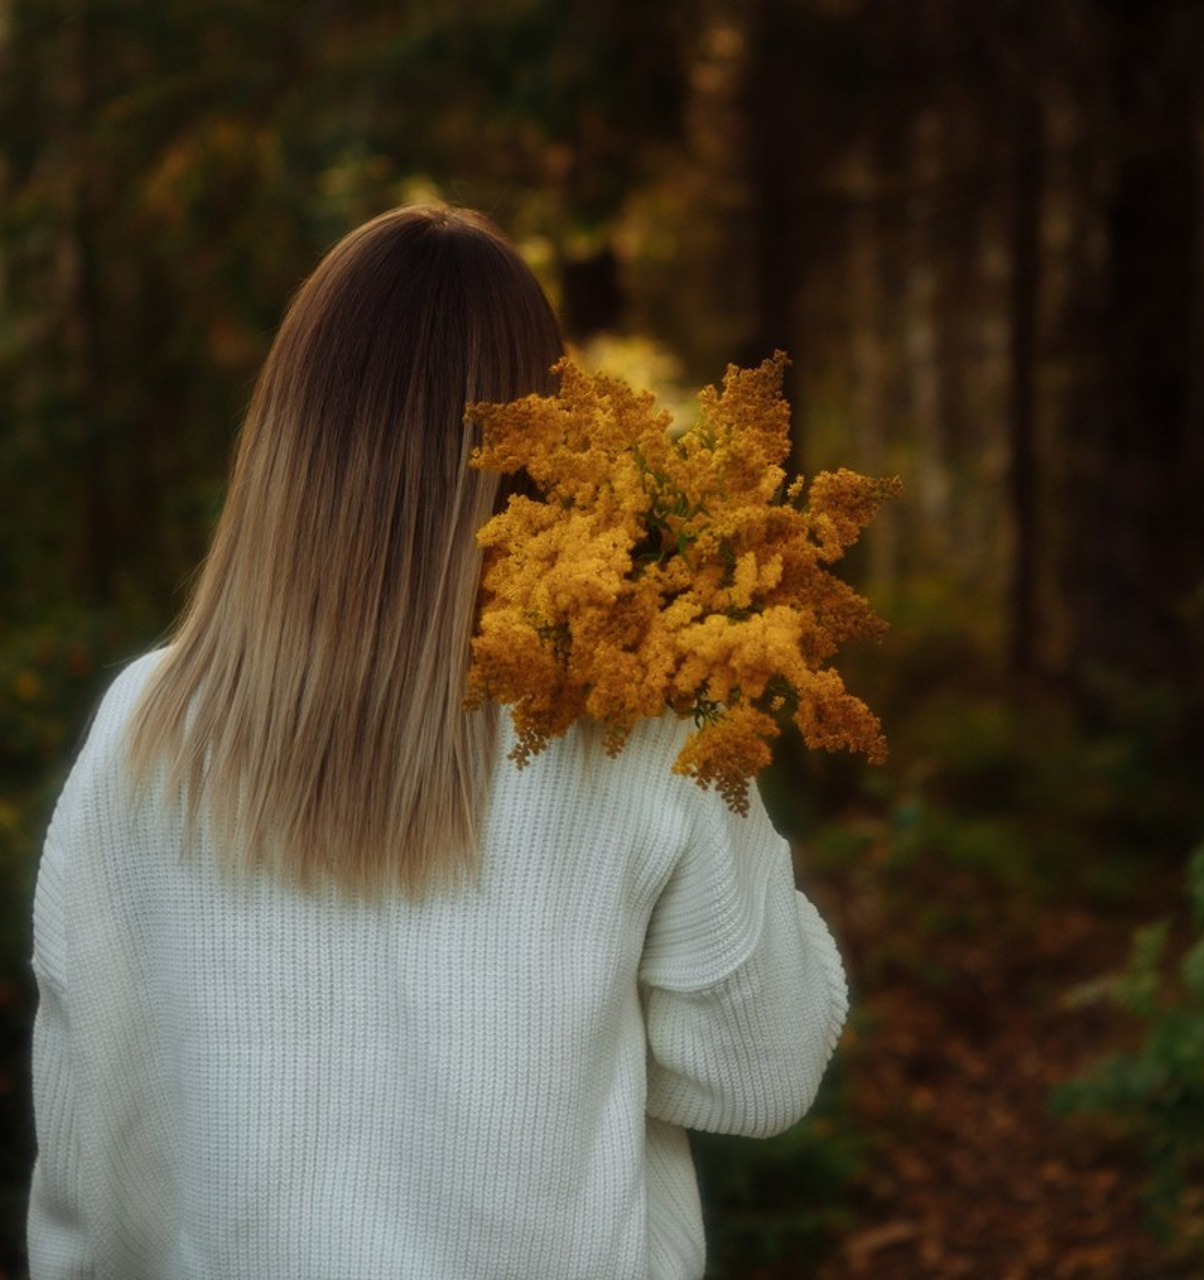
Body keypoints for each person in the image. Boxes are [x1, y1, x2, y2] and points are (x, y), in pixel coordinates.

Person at [28, 205, 848, 1280]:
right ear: (547, 437)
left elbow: (96, 1148)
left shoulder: (145, 729)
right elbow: (758, 1070)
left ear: (284, 437)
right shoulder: (635, 731)